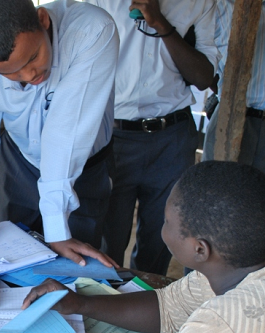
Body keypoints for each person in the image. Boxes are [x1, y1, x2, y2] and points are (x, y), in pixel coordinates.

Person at [0, 0, 119, 268]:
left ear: (42, 19)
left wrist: (57, 230)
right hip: (20, 163)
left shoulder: (92, 31)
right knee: (14, 260)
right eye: (11, 73)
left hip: (82, 169)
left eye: (33, 57)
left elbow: (65, 136)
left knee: (77, 266)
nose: (30, 75)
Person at [23, 161, 265, 332]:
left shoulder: (219, 321)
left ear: (200, 249)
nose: (163, 228)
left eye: (167, 222)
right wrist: (79, 304)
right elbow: (168, 308)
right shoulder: (230, 272)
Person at [85, 0, 219, 275]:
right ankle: (106, 302)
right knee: (108, 235)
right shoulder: (101, 3)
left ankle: (147, 301)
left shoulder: (199, 4)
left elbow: (203, 78)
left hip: (172, 136)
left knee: (162, 236)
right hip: (113, 135)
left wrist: (160, 23)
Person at [202, 0, 265, 195]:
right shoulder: (225, 6)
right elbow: (204, 62)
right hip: (231, 117)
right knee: (216, 201)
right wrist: (223, 90)